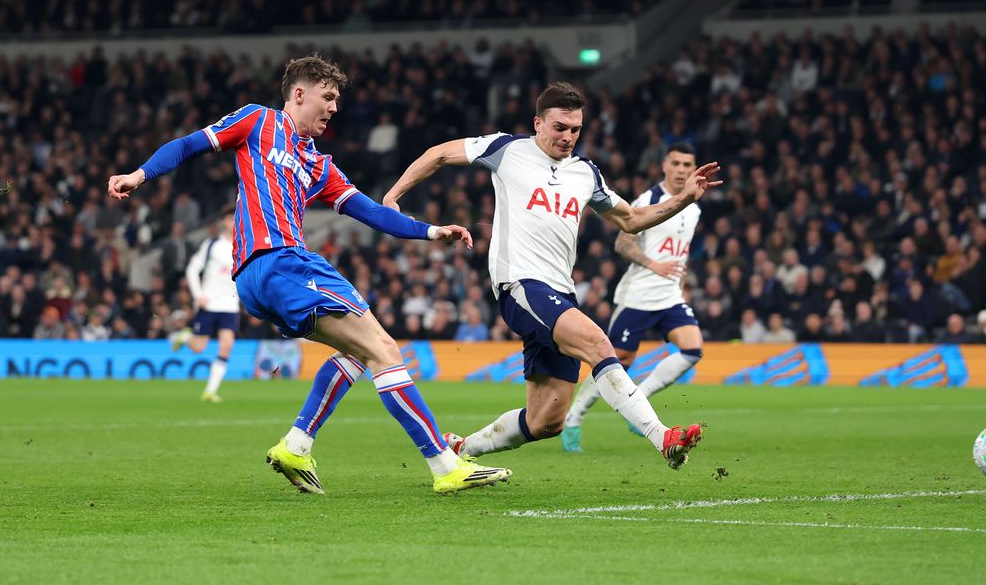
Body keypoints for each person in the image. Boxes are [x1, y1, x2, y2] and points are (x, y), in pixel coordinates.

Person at [107, 55, 510, 496]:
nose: (335, 107)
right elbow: (187, 145)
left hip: (261, 279)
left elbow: (372, 213)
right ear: (300, 94)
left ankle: (297, 445)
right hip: (280, 260)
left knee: (361, 352)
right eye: (329, 97)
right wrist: (139, 174)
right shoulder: (256, 121)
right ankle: (444, 464)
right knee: (385, 349)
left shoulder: (320, 165)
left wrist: (431, 230)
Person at [381, 83, 721, 471]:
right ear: (538, 123)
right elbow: (440, 154)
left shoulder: (585, 172)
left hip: (560, 292)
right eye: (560, 127)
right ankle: (664, 438)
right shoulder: (506, 149)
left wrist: (685, 198)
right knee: (597, 342)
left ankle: (459, 451)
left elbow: (631, 219)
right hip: (521, 284)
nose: (568, 136)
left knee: (546, 420)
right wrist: (393, 197)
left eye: (575, 129)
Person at [561, 143, 704, 452]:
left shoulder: (694, 206)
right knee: (615, 362)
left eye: (687, 165)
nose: (681, 170)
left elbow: (679, 250)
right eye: (676, 163)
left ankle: (641, 397)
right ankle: (573, 418)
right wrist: (655, 265)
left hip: (669, 296)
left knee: (692, 349)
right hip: (637, 296)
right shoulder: (648, 200)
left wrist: (679, 275)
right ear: (665, 165)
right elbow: (622, 243)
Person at [169, 213, 241, 403]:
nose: (233, 222)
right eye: (229, 219)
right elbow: (192, 269)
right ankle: (185, 336)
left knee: (227, 344)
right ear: (223, 222)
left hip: (230, 305)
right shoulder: (212, 245)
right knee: (199, 347)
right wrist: (198, 294)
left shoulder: (244, 245)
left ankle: (210, 391)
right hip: (209, 303)